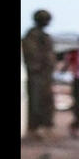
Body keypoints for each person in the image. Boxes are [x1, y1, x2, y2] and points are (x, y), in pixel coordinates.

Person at [22, 8, 56, 141]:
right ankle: (34, 128)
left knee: (46, 101)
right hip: (37, 74)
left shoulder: (44, 36)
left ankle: (45, 126)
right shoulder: (31, 36)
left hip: (46, 75)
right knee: (36, 102)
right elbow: (32, 55)